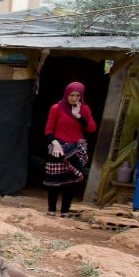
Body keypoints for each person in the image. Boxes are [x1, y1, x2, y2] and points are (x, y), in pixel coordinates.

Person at [43, 81, 97, 217]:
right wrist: (55, 143)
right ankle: (51, 209)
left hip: (76, 149)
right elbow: (48, 130)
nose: (74, 98)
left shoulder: (84, 110)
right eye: (72, 95)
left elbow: (91, 128)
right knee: (53, 180)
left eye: (78, 96)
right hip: (58, 147)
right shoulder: (56, 108)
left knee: (71, 180)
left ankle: (65, 211)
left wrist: (78, 116)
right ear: (66, 94)